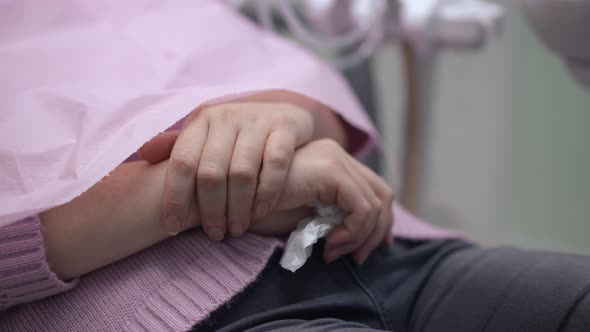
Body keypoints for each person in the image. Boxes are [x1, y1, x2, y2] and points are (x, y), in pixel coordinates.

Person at [0, 1, 588, 331]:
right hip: (180, 313)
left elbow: (311, 112)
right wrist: (254, 182)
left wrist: (291, 123)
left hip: (383, 252)